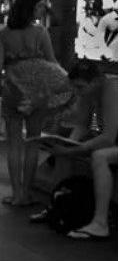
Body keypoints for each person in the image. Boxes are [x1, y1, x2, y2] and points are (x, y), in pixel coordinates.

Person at [0, 0, 73, 206]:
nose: (41, 10)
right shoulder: (40, 33)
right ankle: (27, 193)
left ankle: (16, 193)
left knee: (13, 144)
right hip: (37, 94)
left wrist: (13, 65)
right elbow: (52, 61)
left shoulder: (3, 34)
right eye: (39, 6)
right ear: (29, 8)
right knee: (33, 141)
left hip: (12, 91)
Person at [36, 63, 117, 239]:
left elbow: (109, 137)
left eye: (80, 87)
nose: (77, 92)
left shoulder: (113, 89)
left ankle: (100, 222)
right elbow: (81, 125)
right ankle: (57, 205)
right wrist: (68, 145)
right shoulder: (89, 91)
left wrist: (76, 149)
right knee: (64, 151)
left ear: (96, 81)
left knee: (100, 157)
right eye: (74, 87)